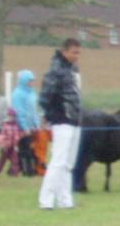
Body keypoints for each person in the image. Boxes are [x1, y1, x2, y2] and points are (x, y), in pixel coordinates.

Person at [37, 38, 83, 210]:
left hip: (74, 119)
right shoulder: (56, 70)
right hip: (62, 119)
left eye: (78, 52)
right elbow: (45, 96)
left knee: (68, 163)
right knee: (58, 160)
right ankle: (46, 200)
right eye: (74, 52)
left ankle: (65, 200)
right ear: (65, 51)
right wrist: (48, 115)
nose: (77, 56)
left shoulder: (72, 70)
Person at [11, 69, 39, 176]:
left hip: (31, 127)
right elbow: (19, 111)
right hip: (22, 127)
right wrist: (25, 127)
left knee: (31, 149)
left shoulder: (32, 93)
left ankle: (26, 168)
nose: (31, 83)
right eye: (29, 80)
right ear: (24, 81)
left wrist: (36, 124)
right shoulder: (18, 94)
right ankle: (27, 170)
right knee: (25, 149)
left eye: (32, 80)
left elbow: (34, 110)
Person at [0, 108, 22, 177]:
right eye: (10, 116)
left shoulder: (16, 125)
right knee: (2, 160)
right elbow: (1, 136)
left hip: (13, 146)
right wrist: (2, 145)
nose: (12, 118)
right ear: (8, 116)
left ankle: (14, 173)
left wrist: (17, 141)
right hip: (5, 147)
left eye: (13, 116)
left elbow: (17, 135)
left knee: (15, 160)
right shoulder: (5, 125)